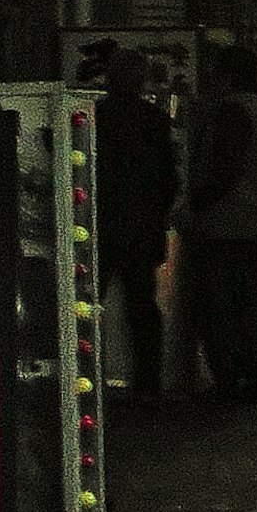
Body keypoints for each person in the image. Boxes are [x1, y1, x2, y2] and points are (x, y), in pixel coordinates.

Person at [171, 47, 257, 402]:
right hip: (253, 222)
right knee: (248, 304)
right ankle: (255, 376)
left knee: (219, 308)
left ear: (229, 75)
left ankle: (230, 380)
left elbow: (225, 169)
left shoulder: (234, 110)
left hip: (226, 225)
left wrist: (195, 206)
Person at [90, 49, 178, 412]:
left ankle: (86, 377)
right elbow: (167, 177)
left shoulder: (95, 116)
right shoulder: (154, 120)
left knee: (89, 302)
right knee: (141, 307)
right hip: (140, 226)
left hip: (99, 222)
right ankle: (147, 382)